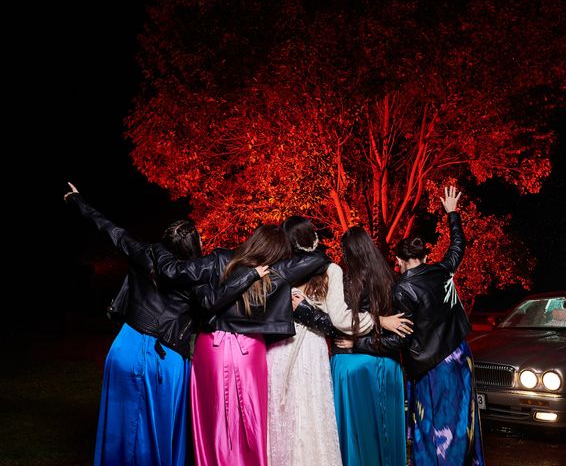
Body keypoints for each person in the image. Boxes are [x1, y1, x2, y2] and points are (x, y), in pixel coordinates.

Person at [64, 182, 264, 466]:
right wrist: (250, 275)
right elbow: (212, 303)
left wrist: (76, 200)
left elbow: (107, 228)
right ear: (193, 245)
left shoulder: (142, 252)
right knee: (159, 429)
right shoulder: (196, 275)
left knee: (121, 427)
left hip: (126, 346)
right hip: (166, 357)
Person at [152, 224, 331, 466]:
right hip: (249, 349)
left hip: (212, 344)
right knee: (249, 419)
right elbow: (320, 258)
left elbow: (178, 272)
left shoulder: (221, 259)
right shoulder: (278, 272)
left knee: (212, 416)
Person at [266, 216, 413, 466]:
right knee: (312, 415)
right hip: (312, 349)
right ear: (313, 238)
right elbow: (341, 320)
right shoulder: (332, 269)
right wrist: (379, 321)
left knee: (285, 417)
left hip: (279, 349)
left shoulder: (275, 269)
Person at [352, 186, 484, 466]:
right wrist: (452, 214)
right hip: (461, 357)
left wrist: (359, 344)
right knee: (463, 420)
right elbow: (458, 246)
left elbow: (400, 338)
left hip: (434, 368)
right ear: (425, 257)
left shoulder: (403, 290)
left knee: (436, 428)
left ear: (399, 261)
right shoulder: (442, 270)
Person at [330, 226, 407, 466]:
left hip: (353, 362)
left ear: (347, 252)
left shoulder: (345, 280)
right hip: (388, 363)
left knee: (357, 431)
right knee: (385, 430)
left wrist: (355, 342)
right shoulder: (392, 279)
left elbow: (338, 322)